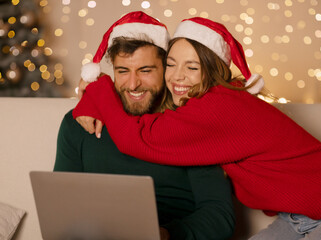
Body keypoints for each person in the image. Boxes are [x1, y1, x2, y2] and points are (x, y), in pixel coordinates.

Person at [74, 16, 321, 239]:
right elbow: (147, 120)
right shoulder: (210, 102)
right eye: (171, 65)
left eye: (192, 67)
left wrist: (99, 89)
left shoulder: (220, 107)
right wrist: (92, 102)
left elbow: (137, 139)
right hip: (300, 216)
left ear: (212, 71)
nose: (177, 77)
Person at [54, 12, 236, 240]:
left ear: (166, 69)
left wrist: (166, 234)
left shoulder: (191, 126)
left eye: (145, 71)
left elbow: (219, 216)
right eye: (123, 71)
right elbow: (61, 208)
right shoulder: (80, 123)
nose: (133, 84)